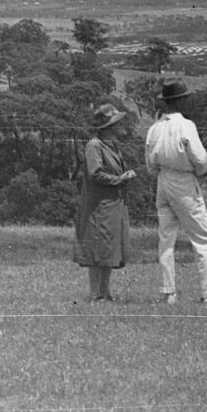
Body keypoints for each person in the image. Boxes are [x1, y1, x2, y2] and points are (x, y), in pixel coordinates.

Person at [145, 80, 207, 305]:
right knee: (203, 238)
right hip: (183, 181)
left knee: (166, 238)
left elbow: (149, 166)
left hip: (162, 181)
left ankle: (169, 293)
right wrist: (197, 171)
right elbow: (201, 159)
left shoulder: (154, 128)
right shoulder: (186, 126)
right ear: (181, 101)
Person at [74, 102, 138, 302]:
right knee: (96, 248)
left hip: (112, 203)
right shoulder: (94, 145)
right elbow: (95, 173)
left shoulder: (113, 146)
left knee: (109, 248)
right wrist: (120, 179)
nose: (121, 127)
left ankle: (105, 291)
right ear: (108, 127)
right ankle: (95, 293)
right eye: (117, 123)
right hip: (98, 205)